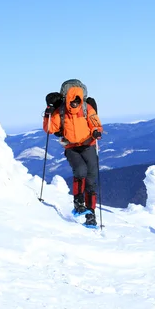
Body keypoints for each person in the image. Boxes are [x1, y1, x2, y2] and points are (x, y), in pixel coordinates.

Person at [43, 83, 103, 227]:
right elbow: (50, 129)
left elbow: (95, 122)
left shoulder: (86, 108)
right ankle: (78, 202)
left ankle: (90, 214)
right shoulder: (61, 111)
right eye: (72, 101)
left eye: (77, 100)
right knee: (81, 171)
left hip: (88, 145)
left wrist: (96, 131)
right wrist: (48, 114)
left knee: (91, 179)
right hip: (71, 147)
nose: (75, 103)